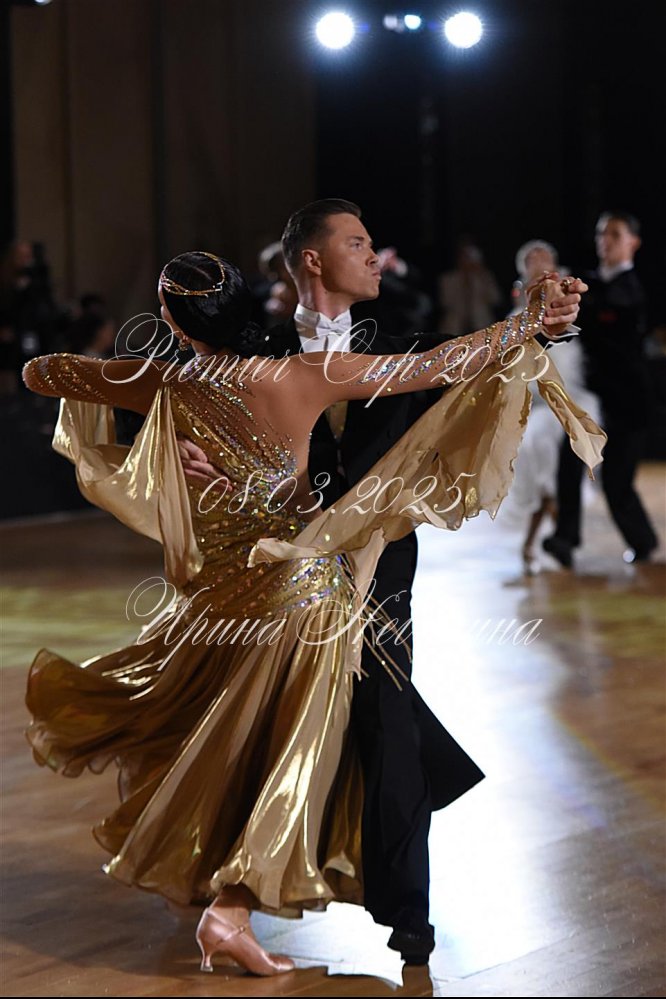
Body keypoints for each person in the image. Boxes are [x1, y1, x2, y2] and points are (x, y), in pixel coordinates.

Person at [21, 250, 603, 978]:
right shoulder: (304, 376)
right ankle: (228, 910)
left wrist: (157, 413)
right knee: (288, 756)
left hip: (220, 600)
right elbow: (440, 364)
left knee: (230, 740)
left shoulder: (164, 381)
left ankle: (218, 896)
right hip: (304, 598)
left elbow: (41, 372)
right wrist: (526, 323)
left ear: (171, 319)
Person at [176, 201, 589, 965]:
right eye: (357, 243)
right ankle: (224, 890)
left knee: (388, 719)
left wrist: (545, 323)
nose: (374, 255)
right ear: (311, 259)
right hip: (291, 570)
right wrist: (209, 468)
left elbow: (472, 359)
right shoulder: (259, 353)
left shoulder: (396, 344)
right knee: (285, 725)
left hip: (381, 565)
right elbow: (232, 453)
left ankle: (408, 913)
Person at [543, 211, 660, 567]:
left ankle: (643, 542)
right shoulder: (591, 284)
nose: (604, 241)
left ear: (633, 242)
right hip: (591, 398)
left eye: (614, 234)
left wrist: (578, 302)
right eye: (600, 233)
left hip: (627, 402)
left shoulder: (630, 290)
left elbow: (604, 319)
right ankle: (565, 538)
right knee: (569, 461)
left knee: (616, 482)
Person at [500, 239, 601, 574]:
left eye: (545, 258)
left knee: (559, 464)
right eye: (533, 259)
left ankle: (556, 540)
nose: (540, 262)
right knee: (542, 462)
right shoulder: (517, 319)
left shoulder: (573, 302)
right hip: (536, 410)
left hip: (572, 403)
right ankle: (556, 540)